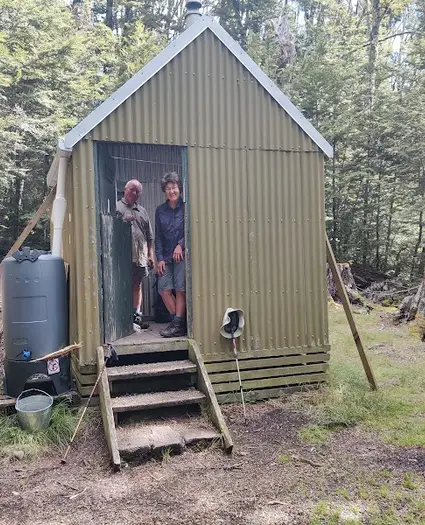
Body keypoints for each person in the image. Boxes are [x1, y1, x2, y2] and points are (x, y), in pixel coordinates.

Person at [117, 179, 154, 329]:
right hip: (122, 257)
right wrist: (122, 220)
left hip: (140, 256)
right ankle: (122, 318)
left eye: (137, 191)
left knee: (137, 285)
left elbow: (150, 236)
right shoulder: (117, 207)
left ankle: (136, 315)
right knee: (122, 285)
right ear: (125, 189)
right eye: (132, 189)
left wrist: (151, 255)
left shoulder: (142, 211)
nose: (134, 193)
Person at [155, 172, 186, 338]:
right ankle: (180, 322)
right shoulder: (160, 211)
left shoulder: (186, 207)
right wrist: (159, 258)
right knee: (164, 289)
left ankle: (178, 323)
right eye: (168, 188)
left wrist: (180, 245)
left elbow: (190, 230)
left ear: (179, 188)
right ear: (164, 191)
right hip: (165, 256)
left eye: (174, 187)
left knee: (180, 288)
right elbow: (158, 236)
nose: (171, 191)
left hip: (181, 255)